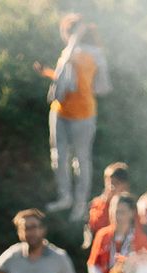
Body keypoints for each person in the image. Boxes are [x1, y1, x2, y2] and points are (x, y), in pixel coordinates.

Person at [36, 15, 110, 212]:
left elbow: (99, 87)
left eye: (68, 33)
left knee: (81, 159)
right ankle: (65, 197)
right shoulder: (70, 51)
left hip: (83, 115)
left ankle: (80, 203)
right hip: (60, 111)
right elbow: (65, 80)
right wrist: (47, 73)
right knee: (59, 156)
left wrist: (75, 41)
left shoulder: (92, 54)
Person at [81, 161, 132, 252]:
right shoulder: (96, 204)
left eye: (116, 183)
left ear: (125, 185)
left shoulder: (130, 206)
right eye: (109, 183)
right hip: (100, 249)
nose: (111, 187)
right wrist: (106, 203)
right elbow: (94, 226)